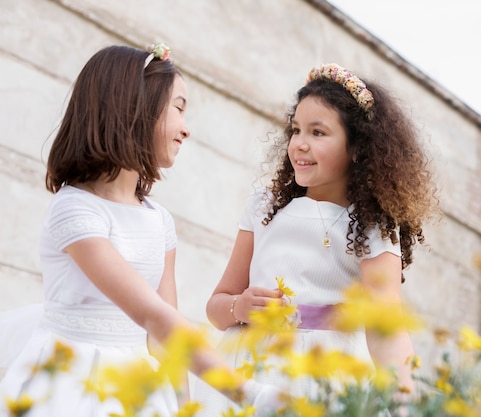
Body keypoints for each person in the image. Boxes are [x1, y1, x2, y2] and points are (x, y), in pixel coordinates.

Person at [0, 44, 279, 417]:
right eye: (179, 108)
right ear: (135, 108)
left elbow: (166, 339)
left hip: (138, 386)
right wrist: (250, 394)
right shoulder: (75, 209)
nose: (187, 128)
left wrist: (183, 408)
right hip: (69, 384)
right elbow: (154, 317)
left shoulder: (158, 220)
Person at [193, 63, 439, 415]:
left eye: (318, 133)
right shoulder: (264, 207)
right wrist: (240, 306)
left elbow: (386, 328)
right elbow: (216, 307)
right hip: (247, 369)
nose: (300, 144)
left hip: (324, 374)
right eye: (296, 131)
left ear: (357, 148)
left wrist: (405, 403)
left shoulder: (372, 226)